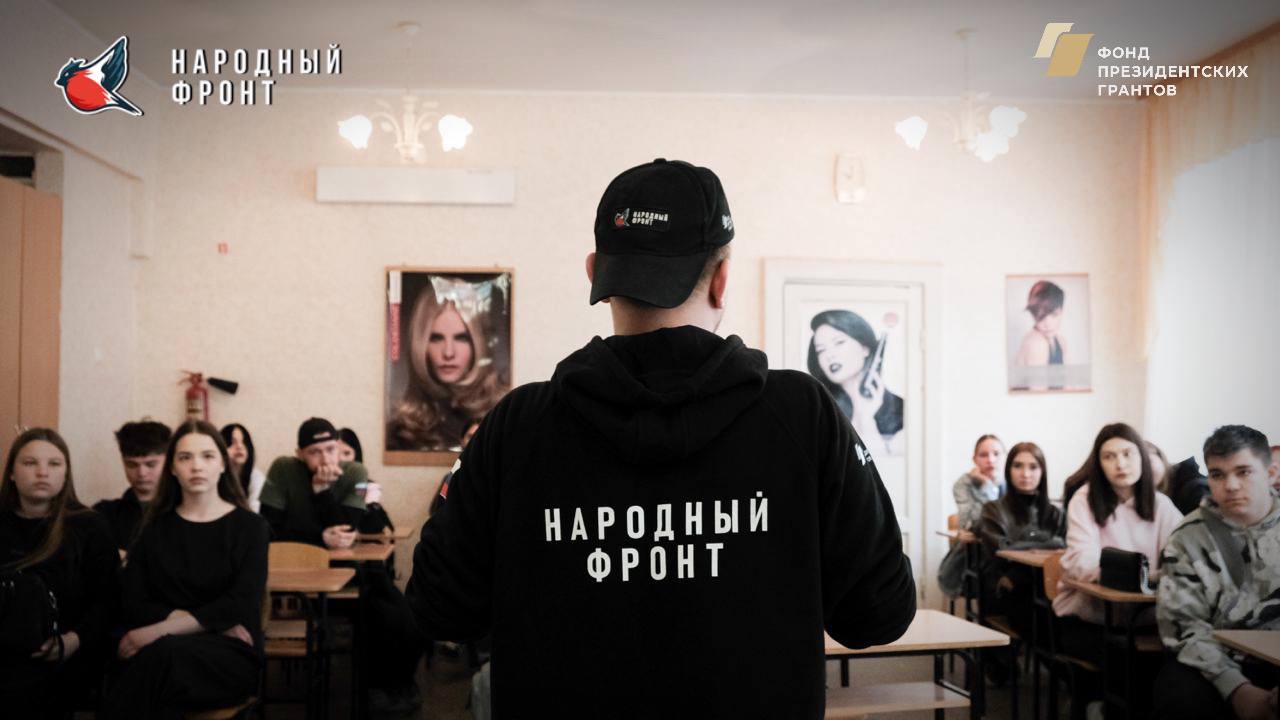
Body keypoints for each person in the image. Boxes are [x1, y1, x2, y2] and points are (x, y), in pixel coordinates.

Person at [406, 158, 915, 717]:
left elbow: (438, 607)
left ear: (596, 273)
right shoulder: (803, 415)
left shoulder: (517, 425)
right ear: (722, 279)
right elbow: (879, 615)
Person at [101, 420, 267, 719]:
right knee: (150, 666)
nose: (197, 466)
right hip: (170, 649)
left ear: (222, 465)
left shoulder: (251, 527)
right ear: (173, 468)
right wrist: (211, 622)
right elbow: (135, 600)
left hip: (229, 652)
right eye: (185, 457)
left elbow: (241, 602)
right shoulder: (154, 527)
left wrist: (152, 632)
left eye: (207, 456)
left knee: (155, 659)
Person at [1153, 425, 1279, 720]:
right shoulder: (1187, 537)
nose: (1230, 485)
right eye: (1218, 474)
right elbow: (1183, 627)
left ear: (1271, 474)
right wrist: (1237, 690)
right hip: (1213, 661)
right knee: (1180, 697)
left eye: (1243, 472)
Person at [0, 428, 120, 718]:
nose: (42, 472)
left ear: (66, 474)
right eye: (30, 463)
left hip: (68, 651)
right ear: (12, 473)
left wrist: (71, 641)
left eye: (54, 464)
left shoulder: (89, 526)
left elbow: (109, 600)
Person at [1054, 423, 1183, 651]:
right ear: (1099, 464)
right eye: (1109, 457)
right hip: (1091, 617)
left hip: (1148, 620)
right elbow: (1082, 561)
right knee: (1125, 662)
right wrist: (1143, 577)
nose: (1120, 464)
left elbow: (1182, 560)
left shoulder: (1162, 505)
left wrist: (1140, 576)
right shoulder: (1084, 500)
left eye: (1127, 454)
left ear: (1142, 457)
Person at [386, 276, 509, 451]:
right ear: (421, 343)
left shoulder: (503, 414)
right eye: (436, 338)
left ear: (478, 342)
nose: (448, 353)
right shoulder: (401, 431)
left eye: (461, 338)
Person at [977, 442, 1064, 637]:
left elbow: (1065, 551)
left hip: (1048, 586)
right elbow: (1001, 550)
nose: (1025, 474)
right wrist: (1049, 544)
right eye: (1018, 466)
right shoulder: (992, 509)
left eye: (1033, 467)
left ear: (1042, 472)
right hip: (1006, 587)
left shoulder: (1055, 514)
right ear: (1008, 470)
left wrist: (1027, 550)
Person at [259, 417, 376, 548]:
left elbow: (345, 532)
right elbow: (269, 529)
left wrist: (321, 489)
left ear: (338, 448)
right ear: (300, 454)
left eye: (330, 449)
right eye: (314, 452)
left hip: (341, 557)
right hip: (292, 554)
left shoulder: (358, 472)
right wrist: (320, 537)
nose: (325, 460)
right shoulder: (282, 468)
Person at [806, 309, 904, 454]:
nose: (829, 355)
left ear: (865, 348)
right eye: (821, 350)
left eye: (839, 342)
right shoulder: (820, 410)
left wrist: (866, 418)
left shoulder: (900, 410)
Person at [94, 419, 171, 552]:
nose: (142, 473)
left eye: (151, 464)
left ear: (169, 461)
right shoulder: (104, 514)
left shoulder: (185, 510)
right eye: (132, 465)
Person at [952, 434, 1006, 530]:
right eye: (983, 455)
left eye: (996, 454)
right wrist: (987, 486)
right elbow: (968, 523)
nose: (991, 460)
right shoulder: (963, 484)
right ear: (975, 459)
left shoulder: (1013, 481)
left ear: (1005, 456)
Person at [1014, 279, 1067, 366]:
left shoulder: (1060, 341)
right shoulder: (1037, 343)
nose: (1048, 324)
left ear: (1061, 311)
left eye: (1054, 314)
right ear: (1034, 315)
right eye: (1041, 316)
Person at [220, 423, 265, 512]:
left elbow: (255, 513)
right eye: (232, 442)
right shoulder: (214, 476)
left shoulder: (256, 477)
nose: (240, 447)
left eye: (244, 442)